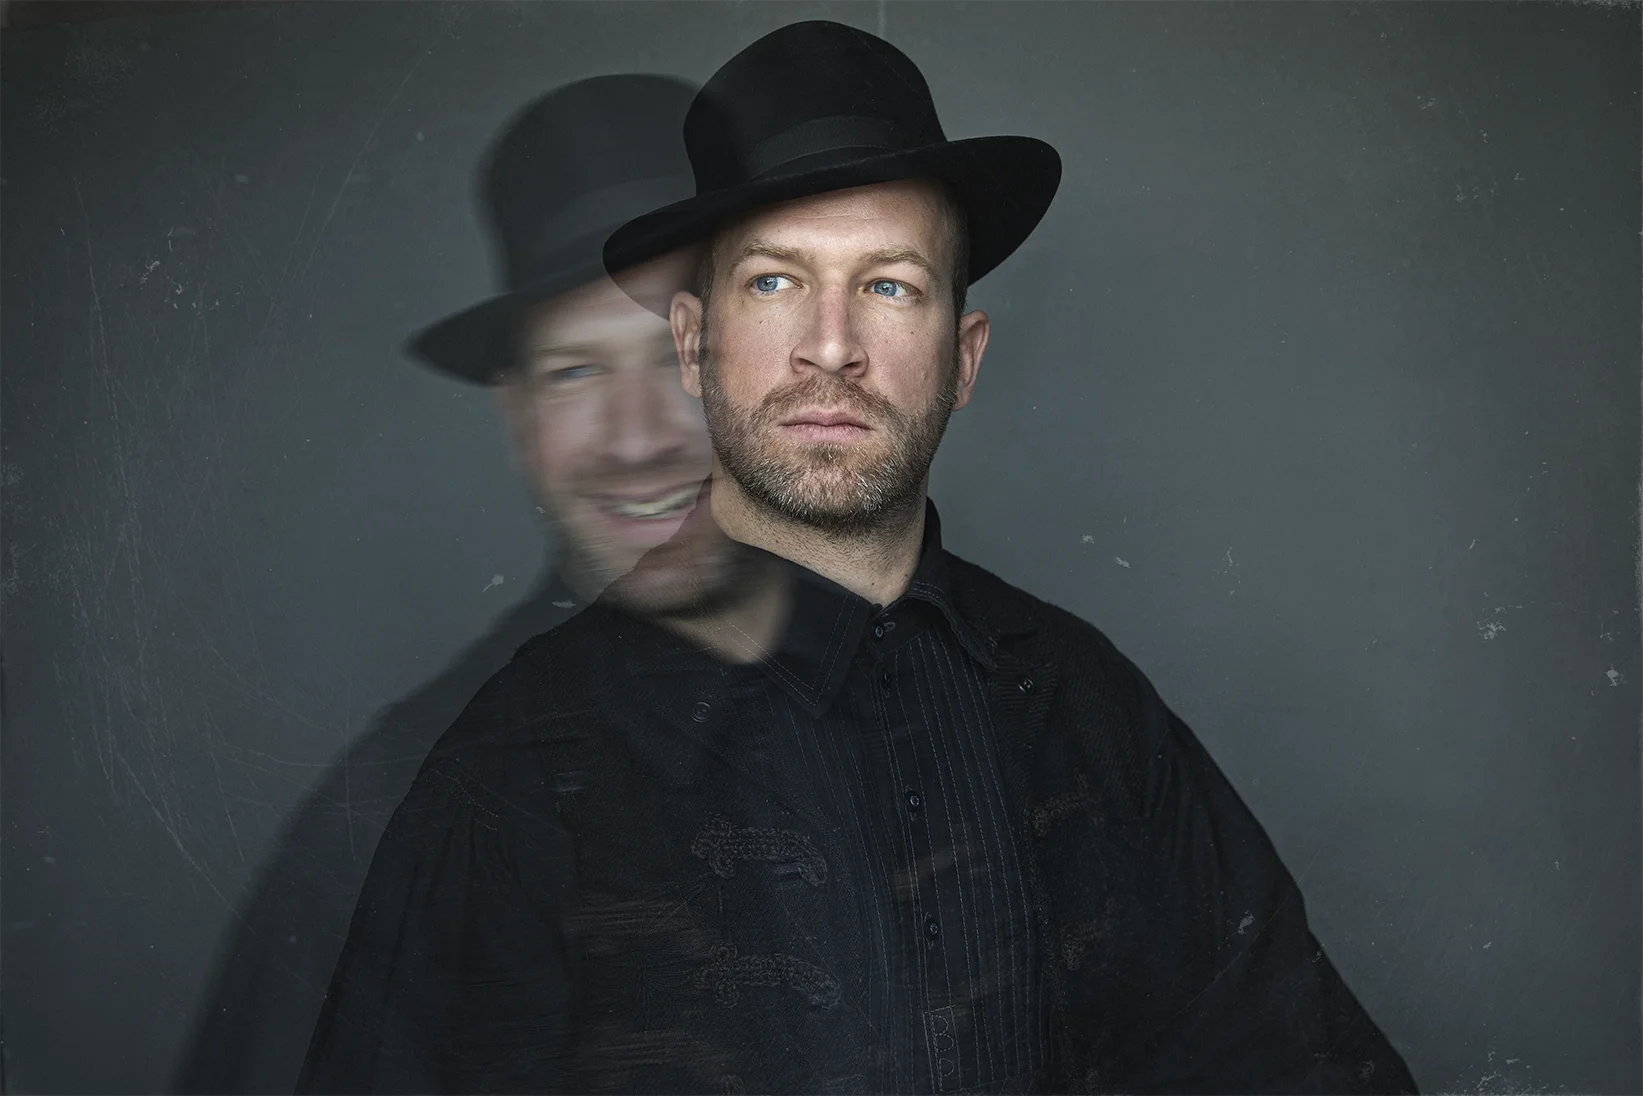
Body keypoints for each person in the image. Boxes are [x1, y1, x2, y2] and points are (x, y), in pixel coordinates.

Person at [300, 21, 1419, 1095]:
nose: (830, 346)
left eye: (889, 285)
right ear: (692, 343)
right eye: (774, 281)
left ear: (962, 357)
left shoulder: (1084, 703)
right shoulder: (521, 765)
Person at [171, 74, 714, 1096]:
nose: (639, 437)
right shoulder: (401, 809)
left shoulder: (969, 703)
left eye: (685, 355)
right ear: (516, 418)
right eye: (575, 371)